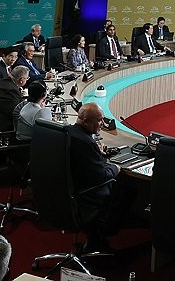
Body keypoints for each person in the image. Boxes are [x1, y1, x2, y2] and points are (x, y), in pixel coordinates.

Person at [68, 103, 123, 246]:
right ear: (85, 121)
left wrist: (97, 153)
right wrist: (115, 168)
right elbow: (101, 176)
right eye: (99, 120)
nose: (102, 124)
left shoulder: (68, 132)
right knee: (125, 190)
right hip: (85, 196)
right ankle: (101, 235)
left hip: (69, 192)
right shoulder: (87, 143)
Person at [0, 65, 28, 134]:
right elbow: (18, 113)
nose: (27, 80)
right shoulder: (11, 91)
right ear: (21, 80)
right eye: (27, 78)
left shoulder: (5, 82)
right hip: (1, 127)